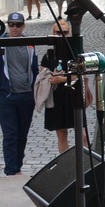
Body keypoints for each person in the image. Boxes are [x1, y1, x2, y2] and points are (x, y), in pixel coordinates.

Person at [0, 12, 41, 176]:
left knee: (22, 135)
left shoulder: (30, 45)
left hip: (26, 96)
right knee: (11, 135)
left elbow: (34, 69)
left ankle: (17, 167)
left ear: (23, 26)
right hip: (7, 98)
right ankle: (11, 170)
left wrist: (33, 90)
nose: (14, 28)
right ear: (7, 26)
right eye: (11, 24)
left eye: (18, 25)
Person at [39, 19, 93, 153]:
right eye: (58, 32)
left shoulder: (76, 51)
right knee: (62, 135)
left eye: (65, 32)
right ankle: (65, 164)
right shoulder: (49, 54)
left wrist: (61, 79)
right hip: (57, 97)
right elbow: (42, 74)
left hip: (74, 95)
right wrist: (52, 76)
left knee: (83, 136)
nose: (61, 35)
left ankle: (84, 165)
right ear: (53, 33)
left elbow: (81, 74)